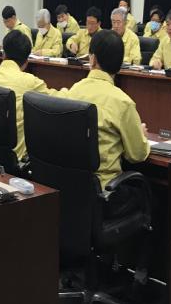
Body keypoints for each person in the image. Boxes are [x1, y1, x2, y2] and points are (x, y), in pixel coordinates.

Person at [62, 30, 150, 213]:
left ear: (92, 59)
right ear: (119, 65)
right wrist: (141, 135)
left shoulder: (73, 91)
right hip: (105, 193)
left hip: (71, 189)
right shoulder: (123, 102)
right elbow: (137, 155)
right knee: (153, 197)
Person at [0, 30, 61, 160]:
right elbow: (57, 100)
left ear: (3, 55)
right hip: (16, 159)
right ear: (26, 61)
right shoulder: (30, 82)